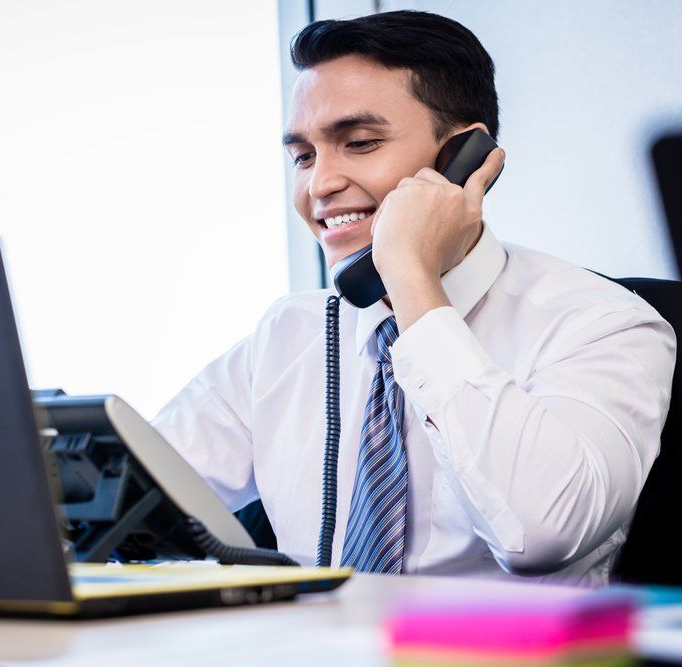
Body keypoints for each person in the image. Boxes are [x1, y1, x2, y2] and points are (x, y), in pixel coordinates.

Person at [151, 11, 676, 585]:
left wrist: (413, 283)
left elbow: (541, 534)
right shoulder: (289, 336)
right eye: (303, 156)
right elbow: (137, 498)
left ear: (463, 158)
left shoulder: (602, 324)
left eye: (359, 143)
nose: (319, 185)